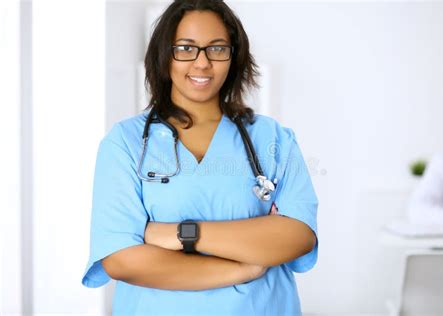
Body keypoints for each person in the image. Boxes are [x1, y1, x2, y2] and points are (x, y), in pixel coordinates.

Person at [81, 1, 319, 315]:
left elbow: (297, 237)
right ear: (165, 56)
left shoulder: (272, 138)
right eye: (185, 48)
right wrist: (241, 270)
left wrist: (175, 234)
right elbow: (122, 259)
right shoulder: (124, 142)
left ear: (234, 57)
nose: (202, 63)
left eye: (217, 49)